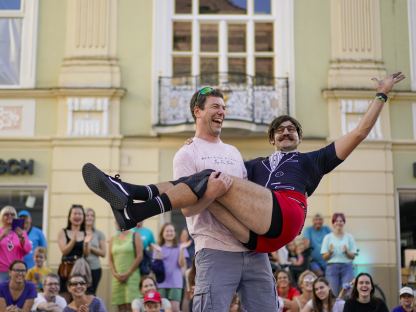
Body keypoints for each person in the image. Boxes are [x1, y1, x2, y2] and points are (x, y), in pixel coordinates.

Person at [82, 72, 405, 255]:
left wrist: (381, 95)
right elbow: (199, 188)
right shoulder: (253, 166)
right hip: (253, 238)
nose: (286, 131)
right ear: (272, 138)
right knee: (205, 182)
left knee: (210, 176)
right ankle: (130, 205)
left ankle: (135, 201)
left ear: (299, 137)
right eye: (280, 129)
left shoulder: (312, 161)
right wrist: (194, 144)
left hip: (284, 217)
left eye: (292, 128)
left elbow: (360, 132)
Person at [83, 88, 279, 311]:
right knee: (203, 180)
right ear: (198, 111)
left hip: (253, 250)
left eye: (224, 108)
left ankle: (132, 196)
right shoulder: (187, 153)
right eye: (215, 106)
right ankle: (131, 198)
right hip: (215, 251)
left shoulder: (233, 152)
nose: (222, 112)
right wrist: (211, 194)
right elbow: (186, 209)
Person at [154, 223, 189, 312]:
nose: (169, 233)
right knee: (162, 309)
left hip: (175, 283)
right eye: (167, 231)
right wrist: (158, 253)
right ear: (162, 233)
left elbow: (181, 265)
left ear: (174, 233)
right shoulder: (158, 248)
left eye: (171, 231)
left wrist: (181, 250)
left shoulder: (180, 247)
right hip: (161, 283)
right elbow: (155, 268)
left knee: (175, 309)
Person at [109, 223, 143, 312]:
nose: (117, 222)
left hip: (132, 276)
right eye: (116, 220)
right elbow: (110, 259)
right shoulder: (113, 238)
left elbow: (139, 256)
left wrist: (127, 274)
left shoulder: (135, 235)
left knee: (131, 306)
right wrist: (115, 274)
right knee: (120, 307)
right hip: (117, 278)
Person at [321, 213, 356, 296]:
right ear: (333, 223)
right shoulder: (327, 237)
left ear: (344, 223)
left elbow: (353, 256)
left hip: (347, 267)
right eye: (336, 221)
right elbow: (324, 257)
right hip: (332, 268)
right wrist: (330, 252)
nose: (339, 223)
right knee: (332, 293)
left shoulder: (349, 237)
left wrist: (347, 252)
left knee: (347, 293)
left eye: (341, 221)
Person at [57, 204, 87, 300]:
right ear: (70, 217)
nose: (77, 216)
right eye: (75, 213)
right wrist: (74, 239)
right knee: (65, 297)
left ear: (83, 217)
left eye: (80, 214)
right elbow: (64, 251)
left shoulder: (86, 233)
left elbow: (86, 254)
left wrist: (87, 243)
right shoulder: (63, 232)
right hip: (66, 269)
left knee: (79, 298)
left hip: (80, 270)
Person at [0, 206, 32, 283]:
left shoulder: (21, 232)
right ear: (1, 217)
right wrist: (2, 236)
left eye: (12, 214)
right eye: (6, 214)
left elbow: (27, 250)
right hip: (1, 270)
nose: (9, 216)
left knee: (16, 293)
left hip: (17, 270)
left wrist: (22, 238)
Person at [84, 208, 106, 295]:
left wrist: (90, 247)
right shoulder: (79, 232)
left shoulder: (99, 234)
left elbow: (103, 253)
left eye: (92, 215)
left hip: (95, 268)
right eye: (87, 215)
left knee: (91, 294)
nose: (90, 217)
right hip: (81, 268)